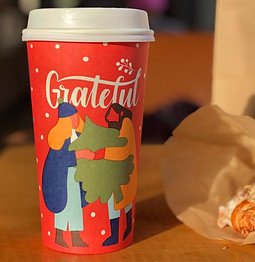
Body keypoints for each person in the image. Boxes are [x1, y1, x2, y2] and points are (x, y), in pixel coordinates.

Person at [42, 99, 93, 248]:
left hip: (75, 176)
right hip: (63, 178)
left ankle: (76, 236)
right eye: (73, 117)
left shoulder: (77, 133)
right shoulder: (59, 138)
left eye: (76, 116)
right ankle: (59, 235)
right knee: (63, 207)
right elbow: (61, 158)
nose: (76, 119)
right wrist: (80, 154)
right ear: (66, 120)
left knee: (75, 206)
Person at [102, 103, 137, 246]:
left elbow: (121, 149)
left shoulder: (126, 125)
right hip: (112, 174)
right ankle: (116, 234)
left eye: (112, 116)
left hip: (121, 173)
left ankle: (125, 230)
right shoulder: (116, 128)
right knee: (114, 205)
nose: (110, 120)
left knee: (123, 203)